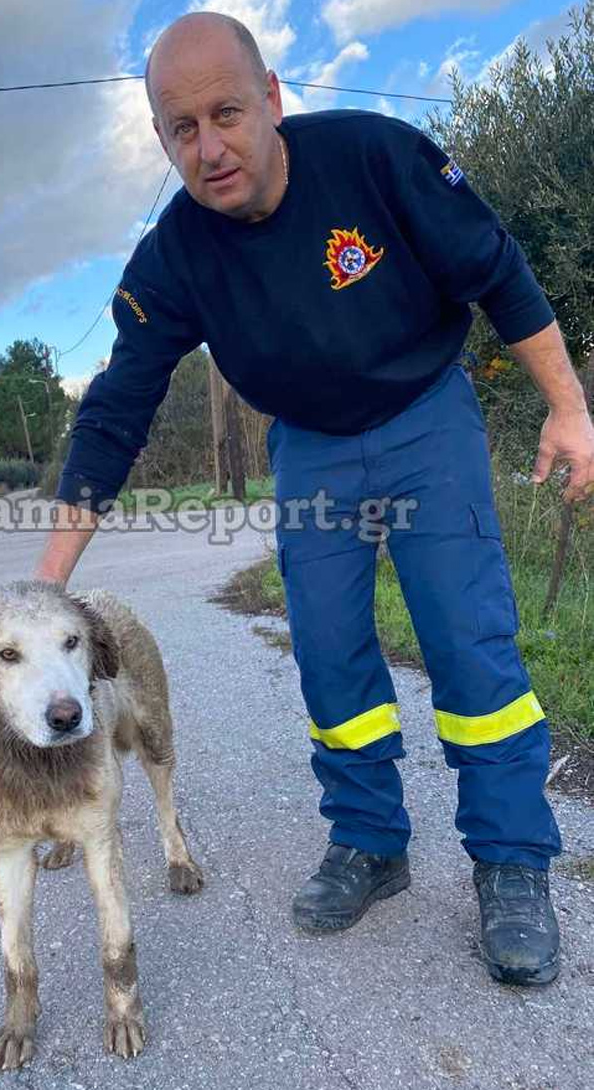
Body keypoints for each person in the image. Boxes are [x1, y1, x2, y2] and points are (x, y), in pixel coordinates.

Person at [34, 12, 594, 986]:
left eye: (226, 114)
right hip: (310, 449)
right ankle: (371, 841)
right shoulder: (173, 261)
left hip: (426, 413)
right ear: (163, 139)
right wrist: (47, 588)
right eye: (181, 129)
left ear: (272, 101)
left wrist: (565, 408)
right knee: (331, 655)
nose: (208, 147)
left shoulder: (375, 157)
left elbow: (493, 267)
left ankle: (510, 858)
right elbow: (116, 412)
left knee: (466, 638)